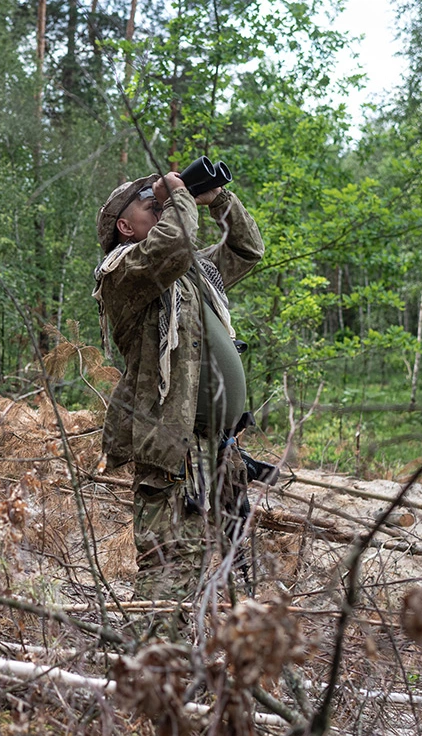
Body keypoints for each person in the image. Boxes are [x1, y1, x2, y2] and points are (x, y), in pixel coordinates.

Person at [93, 170, 265, 602]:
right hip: (173, 446)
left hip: (219, 446)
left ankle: (205, 659)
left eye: (157, 194)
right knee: (170, 562)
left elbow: (246, 248)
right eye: (143, 197)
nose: (154, 197)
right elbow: (171, 243)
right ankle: (147, 663)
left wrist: (218, 197)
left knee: (231, 565)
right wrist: (179, 197)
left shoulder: (192, 272)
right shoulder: (126, 272)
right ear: (124, 227)